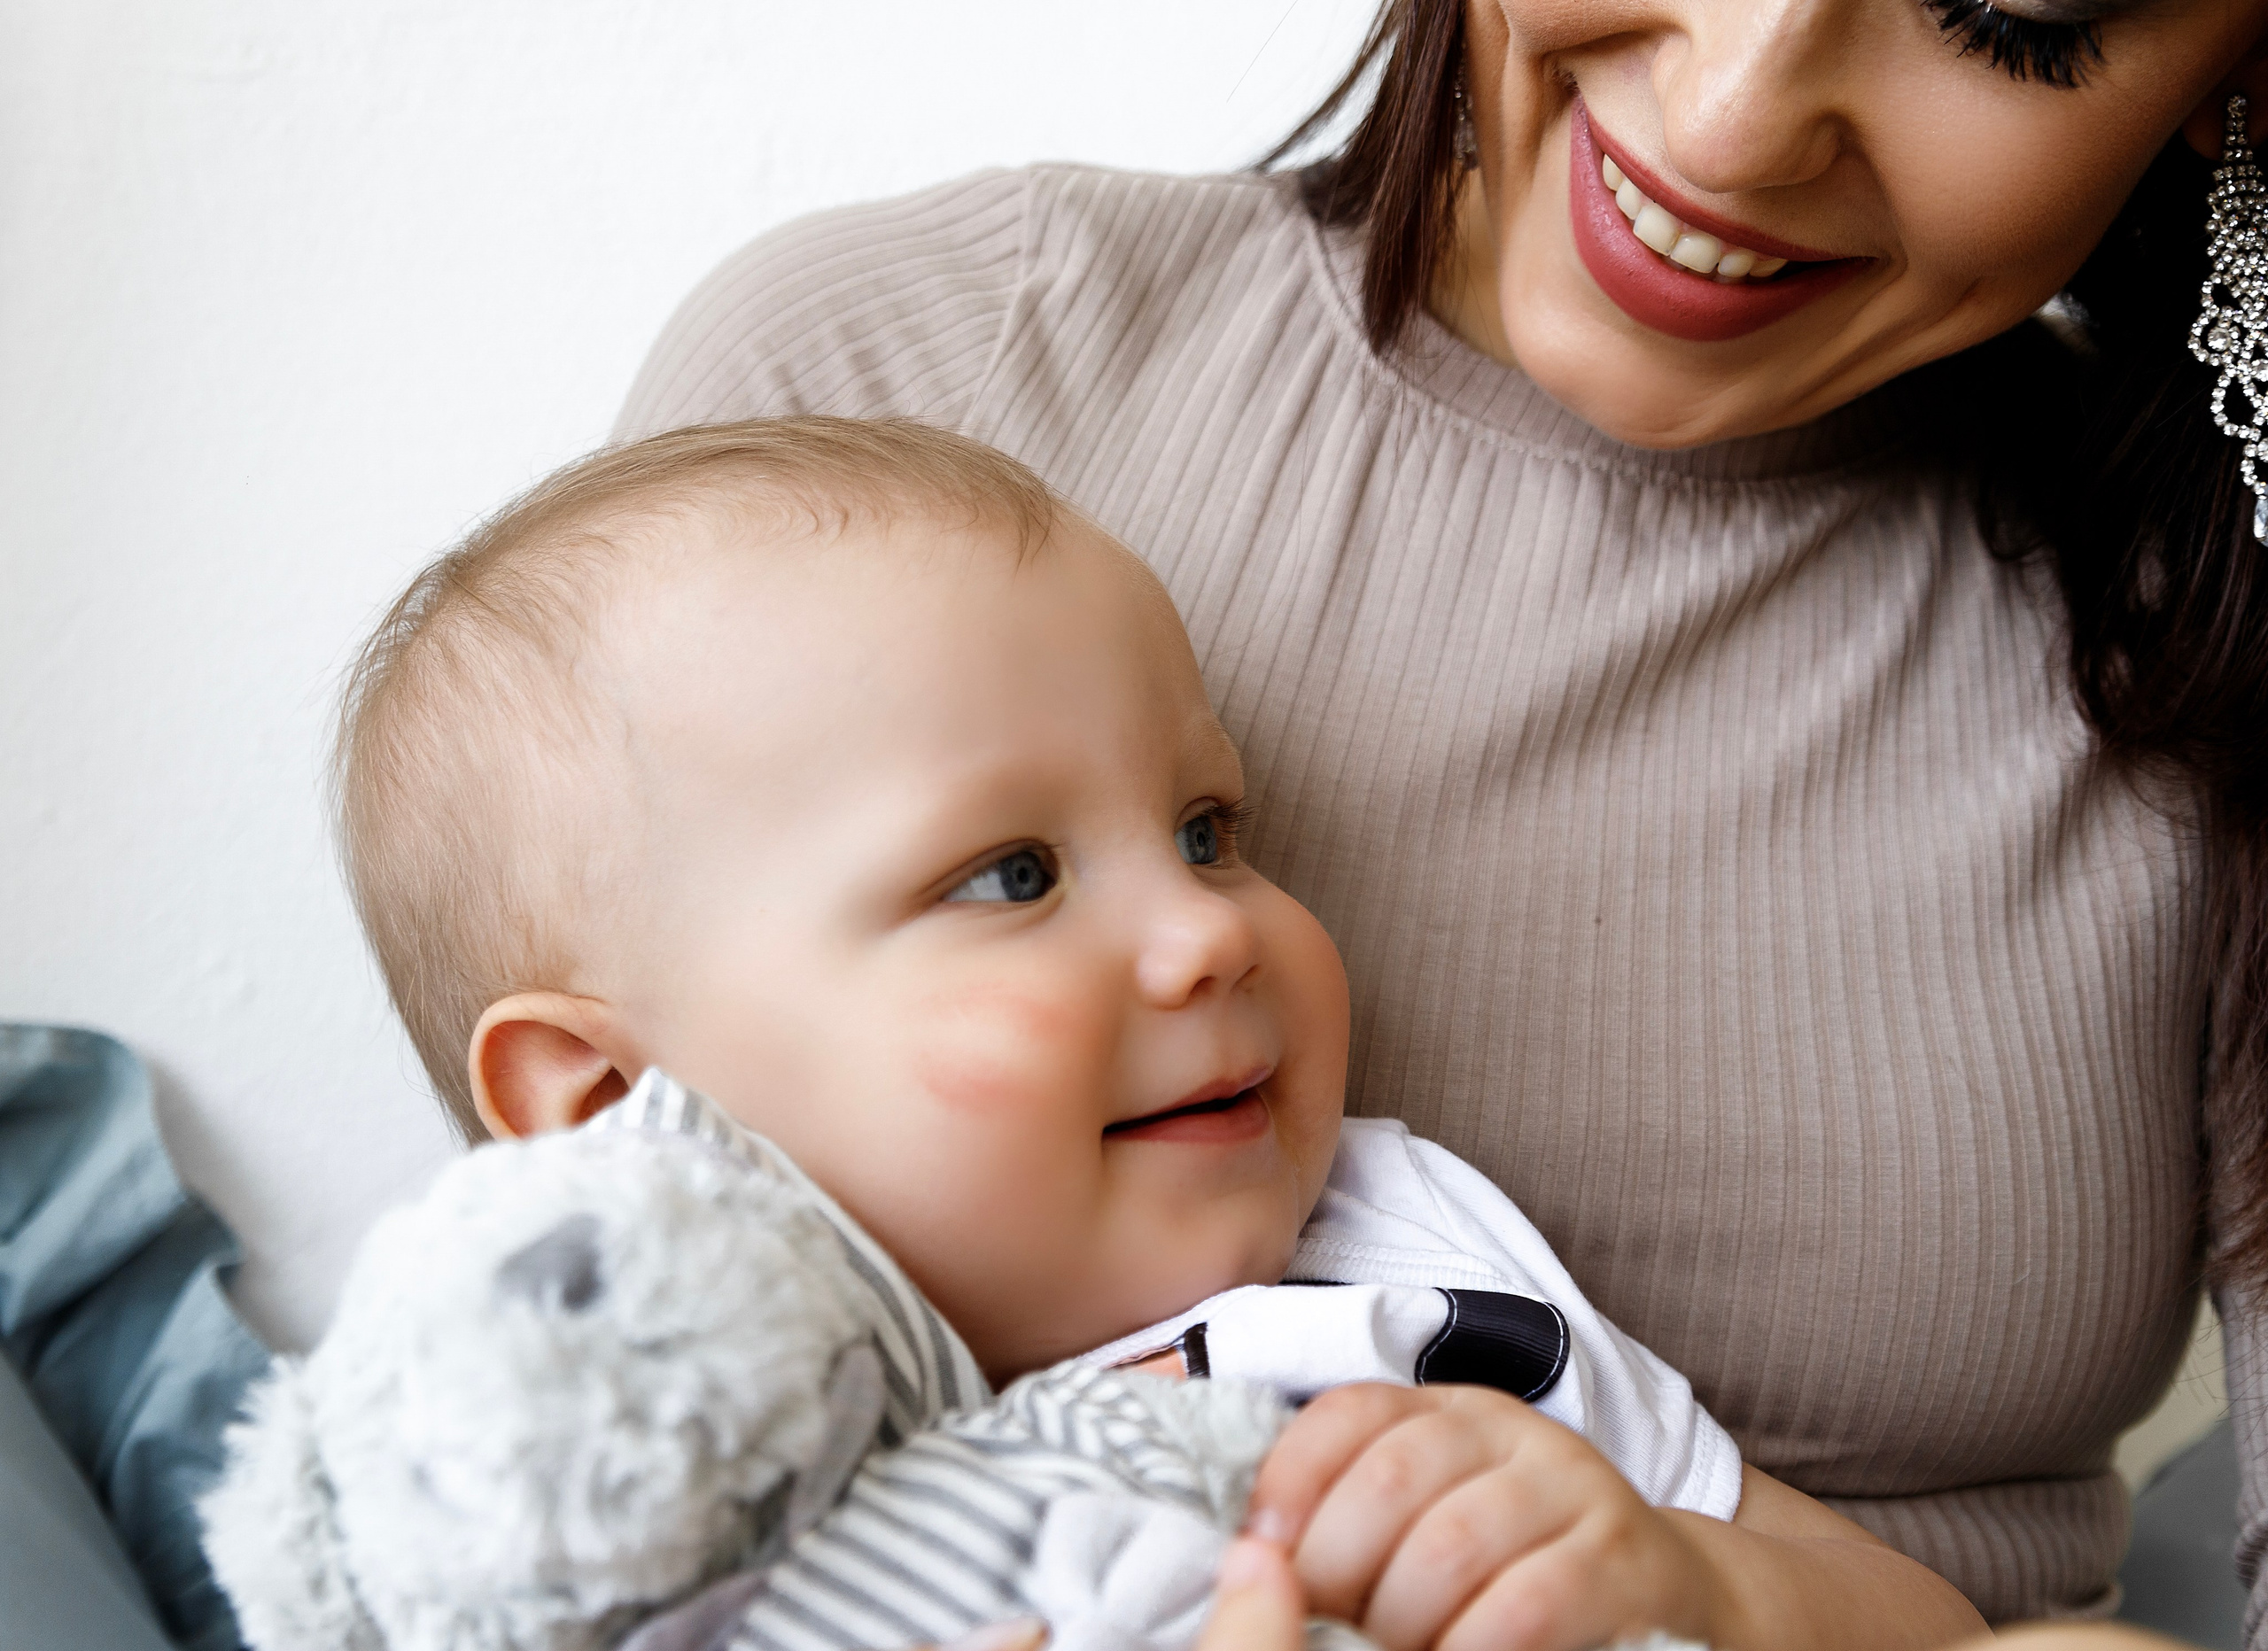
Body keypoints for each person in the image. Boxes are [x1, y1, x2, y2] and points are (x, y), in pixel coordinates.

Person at [611, 0, 2268, 1633]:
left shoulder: (2220, 637)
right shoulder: (865, 418)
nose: (1728, 126)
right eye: (1015, 873)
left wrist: (1705, 1585)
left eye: (2013, 11)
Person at [331, 415, 1983, 1651]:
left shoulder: (1402, 1251)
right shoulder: (671, 1517)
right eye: (1014, 875)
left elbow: (1935, 1626)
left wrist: (1693, 1578)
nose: (1210, 932)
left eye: (1207, 830)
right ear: (615, 1112)